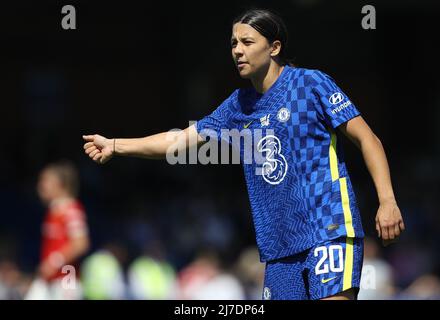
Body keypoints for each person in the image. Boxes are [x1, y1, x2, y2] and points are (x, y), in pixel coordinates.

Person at [82, 9, 405, 300]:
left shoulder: (311, 84)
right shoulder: (237, 106)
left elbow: (368, 139)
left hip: (330, 227)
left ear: (274, 47)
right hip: (279, 248)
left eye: (247, 42)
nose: (237, 50)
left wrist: (387, 200)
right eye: (234, 43)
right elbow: (179, 142)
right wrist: (115, 145)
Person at [26, 160, 90, 299]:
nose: (41, 185)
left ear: (61, 184)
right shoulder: (54, 211)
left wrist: (54, 262)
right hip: (49, 280)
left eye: (46, 180)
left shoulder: (72, 210)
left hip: (66, 279)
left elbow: (80, 244)